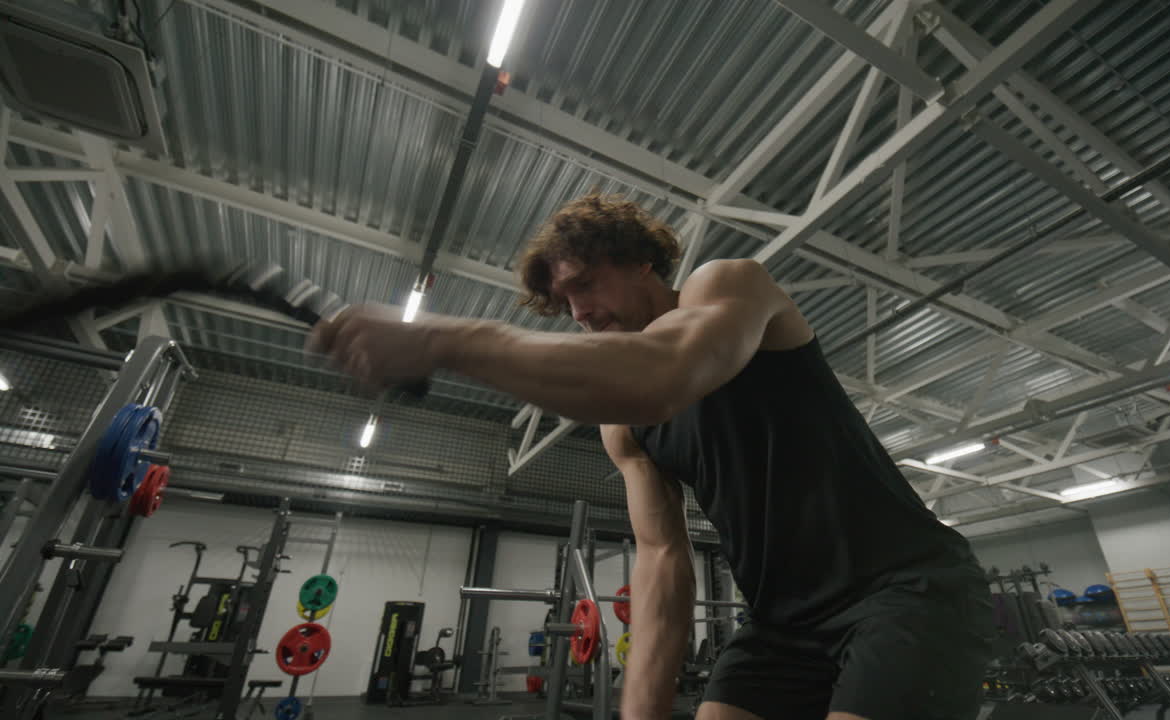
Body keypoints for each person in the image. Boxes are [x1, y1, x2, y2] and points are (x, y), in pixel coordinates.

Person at [307, 193, 994, 720]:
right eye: (561, 301)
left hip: (905, 589)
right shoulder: (623, 427)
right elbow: (663, 568)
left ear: (642, 261)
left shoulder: (730, 287)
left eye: (585, 284)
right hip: (783, 623)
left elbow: (667, 369)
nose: (575, 311)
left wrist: (443, 341)